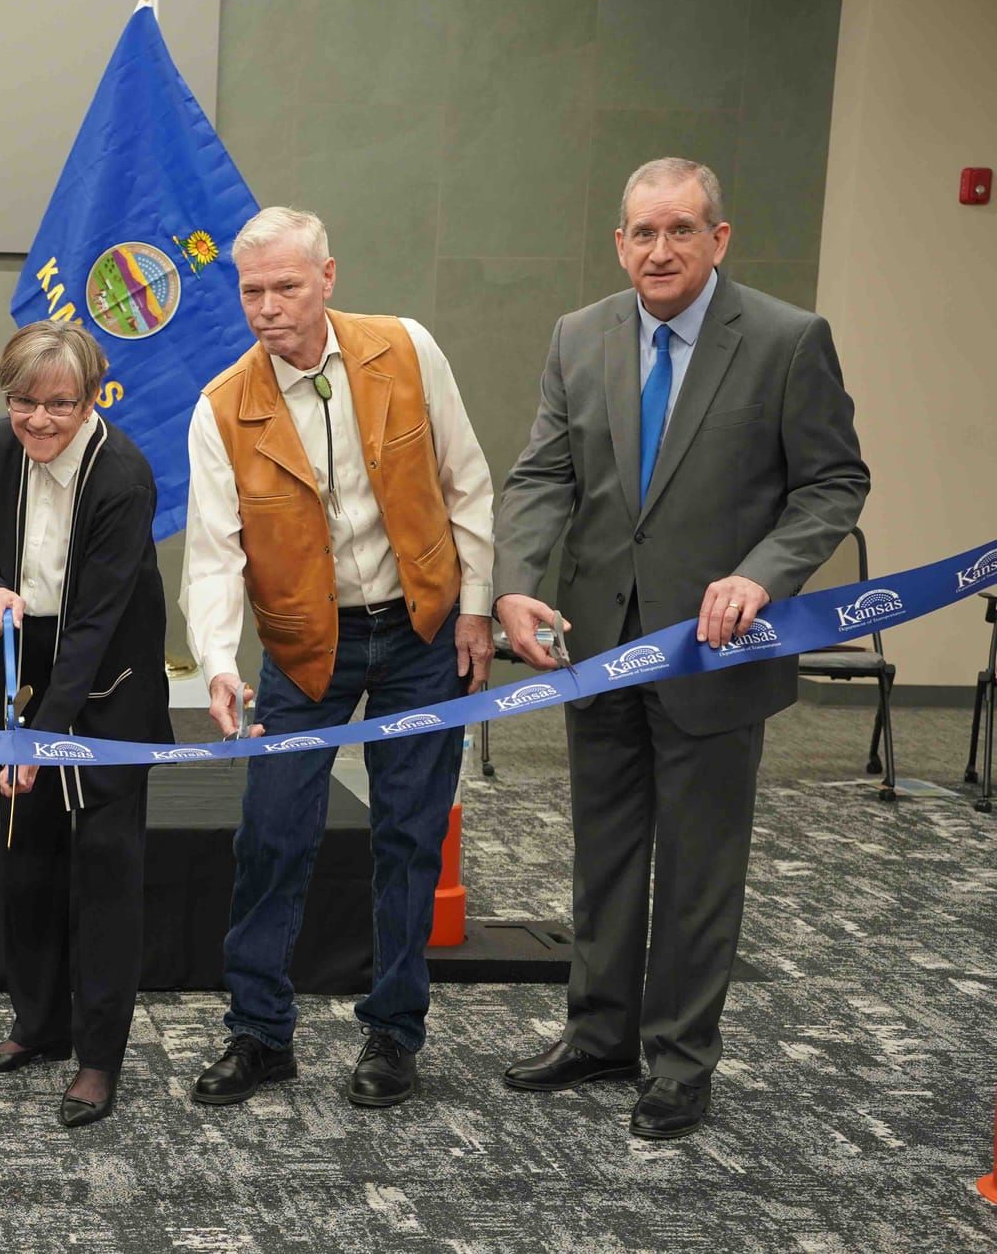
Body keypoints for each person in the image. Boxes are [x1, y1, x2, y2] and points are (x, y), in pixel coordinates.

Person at [493, 157, 867, 1139]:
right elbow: (540, 477)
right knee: (605, 856)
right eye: (641, 233)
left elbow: (829, 484)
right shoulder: (578, 336)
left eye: (679, 230)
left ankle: (678, 1059)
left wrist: (763, 573)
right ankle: (600, 1032)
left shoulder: (787, 341)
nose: (659, 250)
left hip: (716, 655)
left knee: (697, 870)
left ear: (717, 238)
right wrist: (517, 581)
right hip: (597, 645)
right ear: (618, 243)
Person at [180, 205, 495, 1109]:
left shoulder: (405, 349)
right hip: (303, 644)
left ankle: (394, 1031)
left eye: (286, 285)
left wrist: (474, 608)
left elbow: (464, 479)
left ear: (327, 276)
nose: (269, 307)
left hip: (420, 632)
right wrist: (219, 663)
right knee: (273, 834)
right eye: (252, 291)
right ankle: (259, 1032)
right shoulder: (220, 407)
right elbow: (213, 556)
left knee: (409, 833)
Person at [0, 320, 173, 1128]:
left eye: (59, 404)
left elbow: (92, 627)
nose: (39, 421)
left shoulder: (123, 474)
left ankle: (97, 1056)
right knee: (28, 863)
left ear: (90, 399)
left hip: (107, 679)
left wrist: (40, 743)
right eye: (23, 402)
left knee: (106, 872)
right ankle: (35, 1025)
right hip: (21, 664)